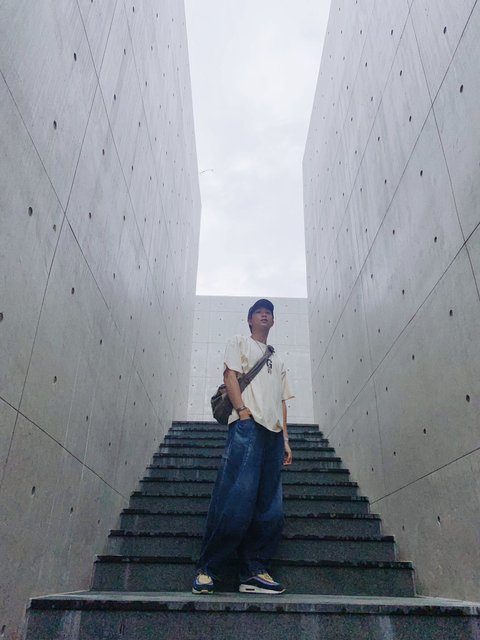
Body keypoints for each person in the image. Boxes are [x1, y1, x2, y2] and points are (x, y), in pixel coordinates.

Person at [192, 298, 294, 595]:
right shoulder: (239, 342)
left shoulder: (279, 360)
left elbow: (282, 401)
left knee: (270, 508)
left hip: (273, 435)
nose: (264, 315)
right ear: (250, 320)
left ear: (273, 321)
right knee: (235, 499)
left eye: (268, 312)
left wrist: (285, 439)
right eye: (258, 312)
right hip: (247, 428)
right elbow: (230, 376)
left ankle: (254, 572)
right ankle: (208, 569)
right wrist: (242, 412)